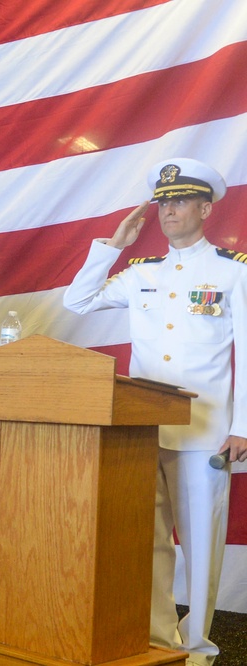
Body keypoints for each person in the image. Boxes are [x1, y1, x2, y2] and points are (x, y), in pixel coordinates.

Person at [63, 158, 246, 666]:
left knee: (202, 541)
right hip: (141, 428)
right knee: (146, 539)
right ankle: (159, 636)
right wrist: (112, 247)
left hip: (205, 428)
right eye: (164, 201)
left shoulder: (233, 271)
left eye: (181, 200)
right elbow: (77, 301)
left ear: (206, 208)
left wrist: (243, 426)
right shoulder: (142, 273)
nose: (169, 209)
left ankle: (199, 643)